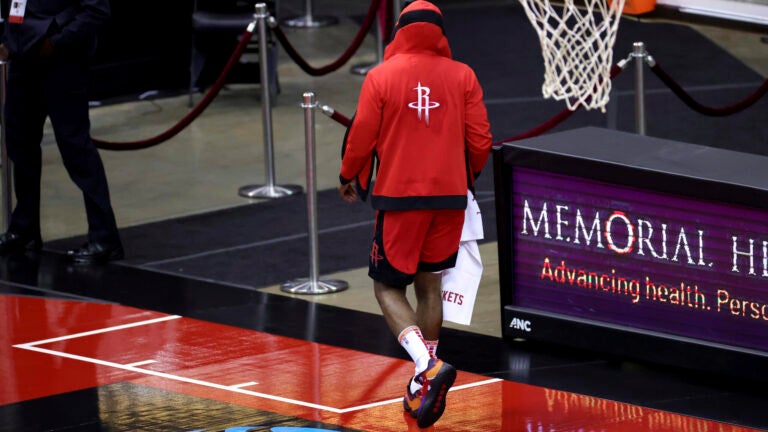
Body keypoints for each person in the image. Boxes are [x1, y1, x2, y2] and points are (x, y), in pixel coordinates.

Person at [337, 0, 492, 428]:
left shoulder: (381, 76)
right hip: (449, 199)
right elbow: (480, 140)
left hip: (400, 201)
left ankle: (427, 365)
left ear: (400, 31)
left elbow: (361, 135)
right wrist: (465, 179)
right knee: (429, 288)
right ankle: (423, 384)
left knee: (387, 288)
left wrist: (349, 174)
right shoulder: (463, 75)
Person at [0, 0, 123, 263]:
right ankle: (25, 229)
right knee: (20, 143)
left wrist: (57, 42)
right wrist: (9, 39)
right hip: (24, 58)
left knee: (75, 147)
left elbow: (97, 11)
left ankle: (105, 238)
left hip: (63, 62)